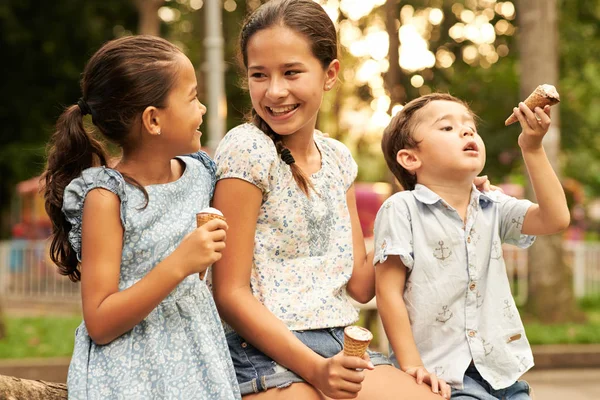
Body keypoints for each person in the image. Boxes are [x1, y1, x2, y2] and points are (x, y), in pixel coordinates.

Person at [209, 1, 451, 399]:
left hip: (339, 343)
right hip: (259, 351)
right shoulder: (247, 148)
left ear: (330, 73)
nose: (274, 91)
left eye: (291, 72)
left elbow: (359, 283)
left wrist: (432, 208)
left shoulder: (337, 158)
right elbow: (230, 294)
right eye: (259, 75)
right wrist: (317, 371)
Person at [42, 35, 241, 399]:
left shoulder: (201, 174)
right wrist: (179, 263)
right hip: (130, 372)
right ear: (153, 120)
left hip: (199, 360)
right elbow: (100, 322)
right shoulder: (107, 198)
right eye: (193, 97)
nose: (203, 109)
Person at [374, 93, 570, 400]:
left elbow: (555, 219)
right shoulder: (401, 209)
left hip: (502, 372)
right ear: (411, 158)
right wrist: (412, 367)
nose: (466, 132)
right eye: (447, 128)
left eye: (470, 127)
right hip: (441, 377)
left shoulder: (493, 205)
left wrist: (531, 148)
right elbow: (388, 292)